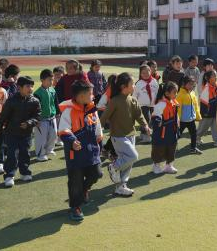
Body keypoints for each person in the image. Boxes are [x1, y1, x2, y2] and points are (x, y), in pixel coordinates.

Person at [58, 80, 103, 222]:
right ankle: (75, 206)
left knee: (97, 174)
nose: (93, 96)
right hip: (75, 154)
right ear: (81, 96)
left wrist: (100, 140)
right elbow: (63, 130)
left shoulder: (92, 110)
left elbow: (97, 127)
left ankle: (84, 190)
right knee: (75, 181)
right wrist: (72, 140)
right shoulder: (68, 111)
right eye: (90, 93)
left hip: (92, 151)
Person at [100, 72, 151, 197]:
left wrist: (145, 125)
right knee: (133, 156)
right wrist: (98, 130)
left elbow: (139, 115)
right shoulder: (114, 101)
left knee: (128, 162)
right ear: (123, 86)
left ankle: (121, 186)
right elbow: (104, 117)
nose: (134, 86)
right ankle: (114, 166)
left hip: (131, 134)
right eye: (132, 84)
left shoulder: (132, 100)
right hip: (118, 136)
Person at [0, 76, 41, 188]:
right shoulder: (11, 101)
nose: (30, 89)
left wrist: (29, 123)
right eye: (27, 86)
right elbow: (3, 116)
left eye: (32, 86)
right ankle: (9, 176)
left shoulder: (35, 101)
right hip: (11, 133)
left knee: (25, 154)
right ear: (19, 87)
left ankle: (25, 173)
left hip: (26, 134)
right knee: (12, 155)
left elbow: (37, 116)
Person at [151, 81, 180, 174]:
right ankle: (156, 165)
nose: (176, 94)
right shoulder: (160, 104)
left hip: (172, 130)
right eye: (174, 92)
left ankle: (169, 165)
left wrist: (177, 123)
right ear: (167, 93)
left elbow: (176, 115)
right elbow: (155, 117)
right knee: (159, 148)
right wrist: (158, 122)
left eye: (177, 92)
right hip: (161, 132)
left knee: (172, 147)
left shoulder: (174, 102)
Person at [33, 69, 58, 161]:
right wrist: (36, 119)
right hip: (41, 119)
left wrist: (58, 113)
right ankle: (40, 154)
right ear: (42, 80)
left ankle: (49, 150)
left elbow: (55, 103)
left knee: (54, 135)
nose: (51, 82)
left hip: (52, 117)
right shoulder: (37, 93)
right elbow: (35, 108)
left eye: (52, 79)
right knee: (41, 138)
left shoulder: (52, 90)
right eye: (49, 80)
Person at [132, 64, 159, 143]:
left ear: (150, 71)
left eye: (147, 72)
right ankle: (146, 136)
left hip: (153, 105)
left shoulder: (154, 81)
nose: (146, 74)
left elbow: (157, 93)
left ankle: (143, 134)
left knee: (152, 121)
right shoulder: (139, 83)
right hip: (143, 105)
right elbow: (134, 95)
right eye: (143, 73)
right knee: (146, 120)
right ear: (140, 74)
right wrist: (133, 105)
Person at [177, 75, 203, 154]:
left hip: (191, 120)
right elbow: (178, 109)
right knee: (177, 135)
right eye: (189, 84)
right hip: (182, 121)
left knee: (194, 134)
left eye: (193, 84)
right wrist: (177, 120)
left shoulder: (192, 93)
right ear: (184, 84)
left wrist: (198, 116)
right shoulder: (180, 95)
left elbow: (196, 106)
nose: (191, 86)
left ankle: (193, 148)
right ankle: (169, 147)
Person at [196, 70, 217, 147]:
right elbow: (203, 103)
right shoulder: (206, 88)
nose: (216, 77)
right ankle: (197, 137)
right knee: (203, 128)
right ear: (208, 78)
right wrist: (205, 114)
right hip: (207, 113)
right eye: (214, 76)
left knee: (216, 127)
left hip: (215, 111)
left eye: (216, 75)